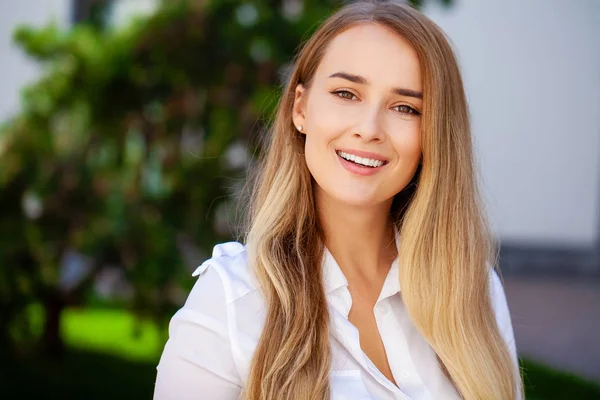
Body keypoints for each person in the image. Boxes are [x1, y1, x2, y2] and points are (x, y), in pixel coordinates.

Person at [153, 1, 525, 399]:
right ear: (301, 108)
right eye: (347, 93)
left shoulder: (473, 289)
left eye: (404, 107)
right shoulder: (232, 299)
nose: (369, 129)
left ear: (434, 133)